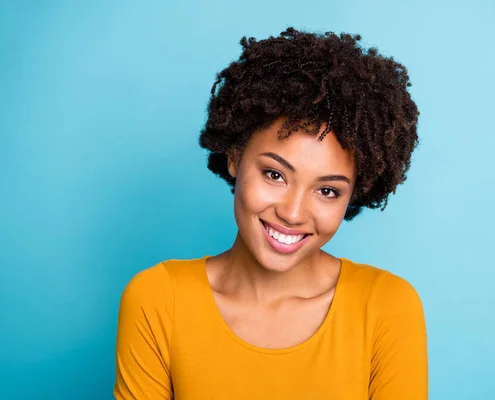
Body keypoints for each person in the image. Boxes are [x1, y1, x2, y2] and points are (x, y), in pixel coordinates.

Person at [114, 27, 427, 399]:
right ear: (234, 156)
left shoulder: (387, 308)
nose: (293, 213)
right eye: (275, 174)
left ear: (354, 194)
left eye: (327, 191)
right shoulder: (158, 300)